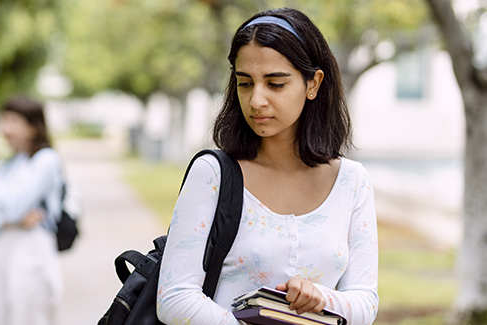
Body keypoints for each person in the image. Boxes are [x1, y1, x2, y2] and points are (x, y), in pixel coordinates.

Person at [156, 8, 378, 325]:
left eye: (274, 84)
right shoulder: (213, 174)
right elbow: (174, 297)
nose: (256, 100)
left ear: (313, 84)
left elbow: (366, 302)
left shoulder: (353, 182)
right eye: (245, 83)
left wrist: (321, 297)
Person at [0, 96, 64, 325]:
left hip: (31, 254)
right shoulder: (6, 166)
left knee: (28, 316)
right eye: (3, 121)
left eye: (11, 121)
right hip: (1, 252)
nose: (4, 129)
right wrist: (11, 222)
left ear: (32, 127)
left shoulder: (46, 161)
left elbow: (14, 207)